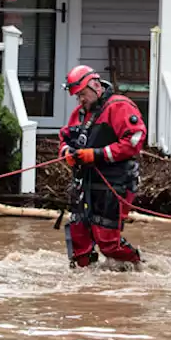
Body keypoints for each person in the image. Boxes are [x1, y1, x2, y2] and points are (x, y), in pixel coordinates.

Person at [58, 65, 146, 270]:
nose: (80, 100)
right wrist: (67, 153)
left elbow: (135, 139)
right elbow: (64, 138)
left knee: (107, 241)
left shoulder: (119, 107)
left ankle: (138, 267)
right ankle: (84, 280)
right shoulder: (80, 114)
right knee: (78, 233)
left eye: (82, 94)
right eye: (77, 96)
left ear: (95, 86)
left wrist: (96, 155)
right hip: (85, 182)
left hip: (115, 182)